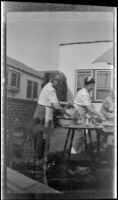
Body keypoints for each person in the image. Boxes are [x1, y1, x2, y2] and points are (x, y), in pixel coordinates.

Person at [32, 72, 71, 160]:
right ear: (54, 80)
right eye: (59, 82)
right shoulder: (51, 89)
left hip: (42, 111)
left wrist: (66, 103)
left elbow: (54, 102)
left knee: (42, 135)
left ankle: (41, 157)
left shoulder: (49, 85)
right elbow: (56, 106)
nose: (60, 84)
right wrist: (67, 114)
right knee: (42, 136)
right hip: (43, 113)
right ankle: (40, 159)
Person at [72, 76, 105, 153]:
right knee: (79, 134)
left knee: (82, 134)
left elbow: (89, 108)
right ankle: (73, 152)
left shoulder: (85, 92)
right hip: (79, 115)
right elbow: (89, 108)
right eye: (92, 86)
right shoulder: (84, 93)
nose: (93, 88)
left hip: (82, 115)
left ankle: (80, 151)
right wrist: (100, 116)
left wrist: (93, 119)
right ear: (88, 85)